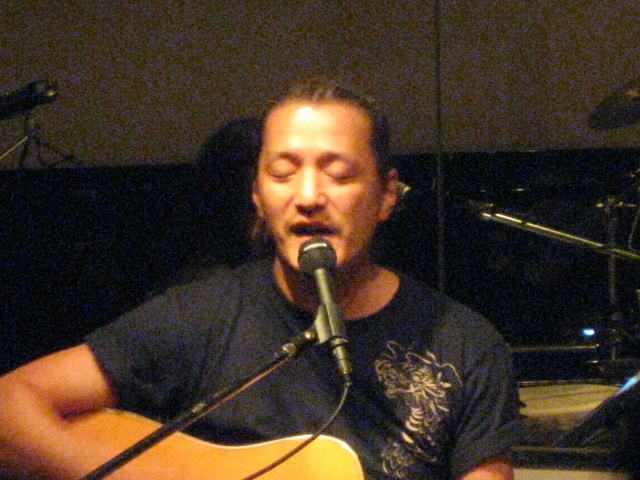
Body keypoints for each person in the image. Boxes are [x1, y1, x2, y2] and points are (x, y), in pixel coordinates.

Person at [0, 78, 522, 480]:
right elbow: (10, 405)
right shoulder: (200, 318)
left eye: (338, 174)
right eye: (283, 173)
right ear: (257, 195)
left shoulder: (465, 346)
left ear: (386, 195)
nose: (309, 196)